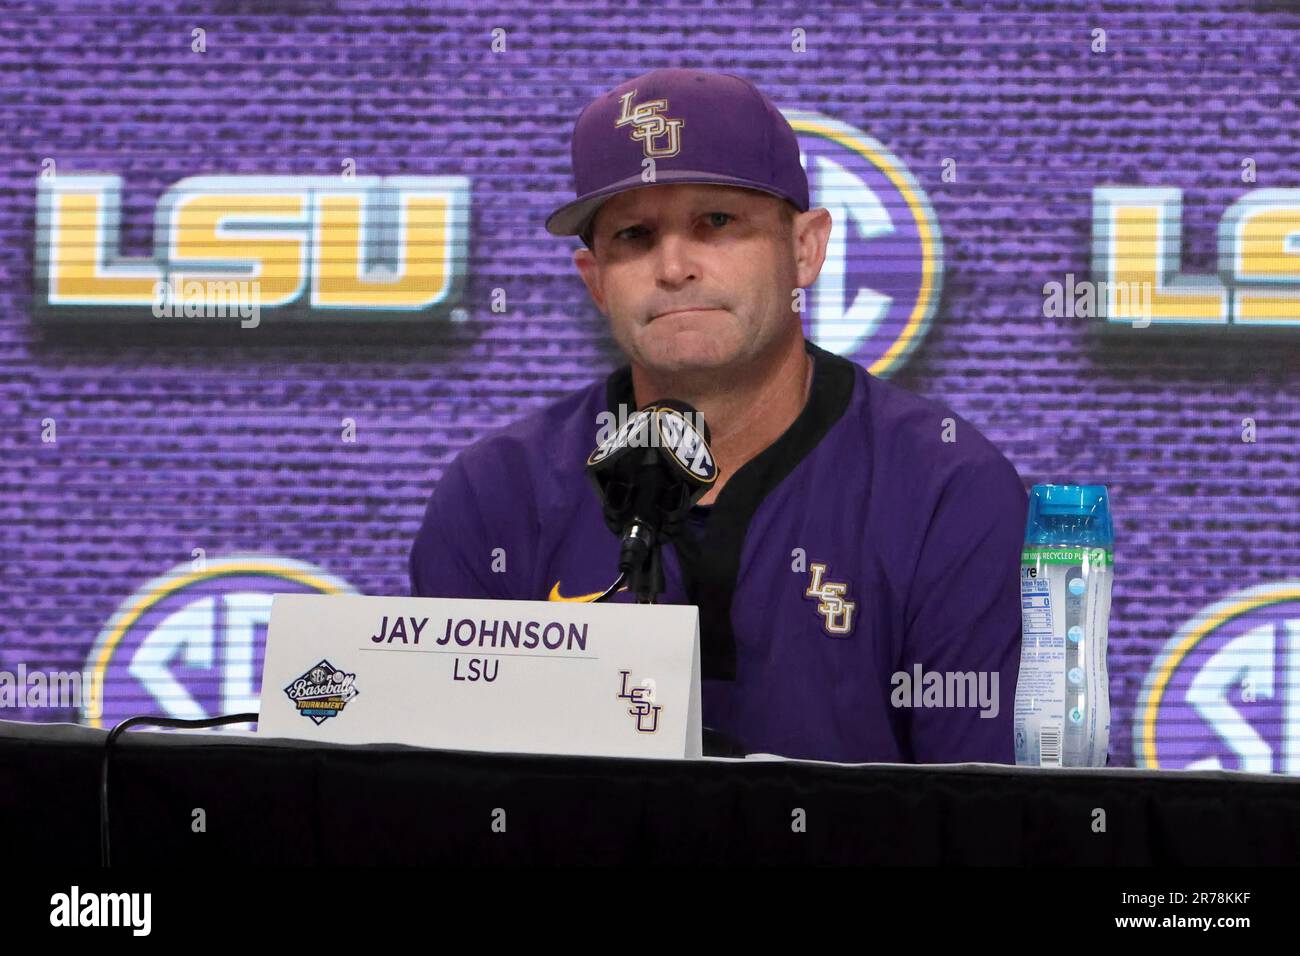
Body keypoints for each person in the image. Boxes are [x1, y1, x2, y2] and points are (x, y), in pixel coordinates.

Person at [409, 67, 1028, 764]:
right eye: (635, 236)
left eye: (718, 222)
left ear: (805, 248)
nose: (674, 267)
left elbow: (984, 818)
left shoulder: (948, 491)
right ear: (596, 281)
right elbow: (450, 808)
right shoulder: (498, 495)